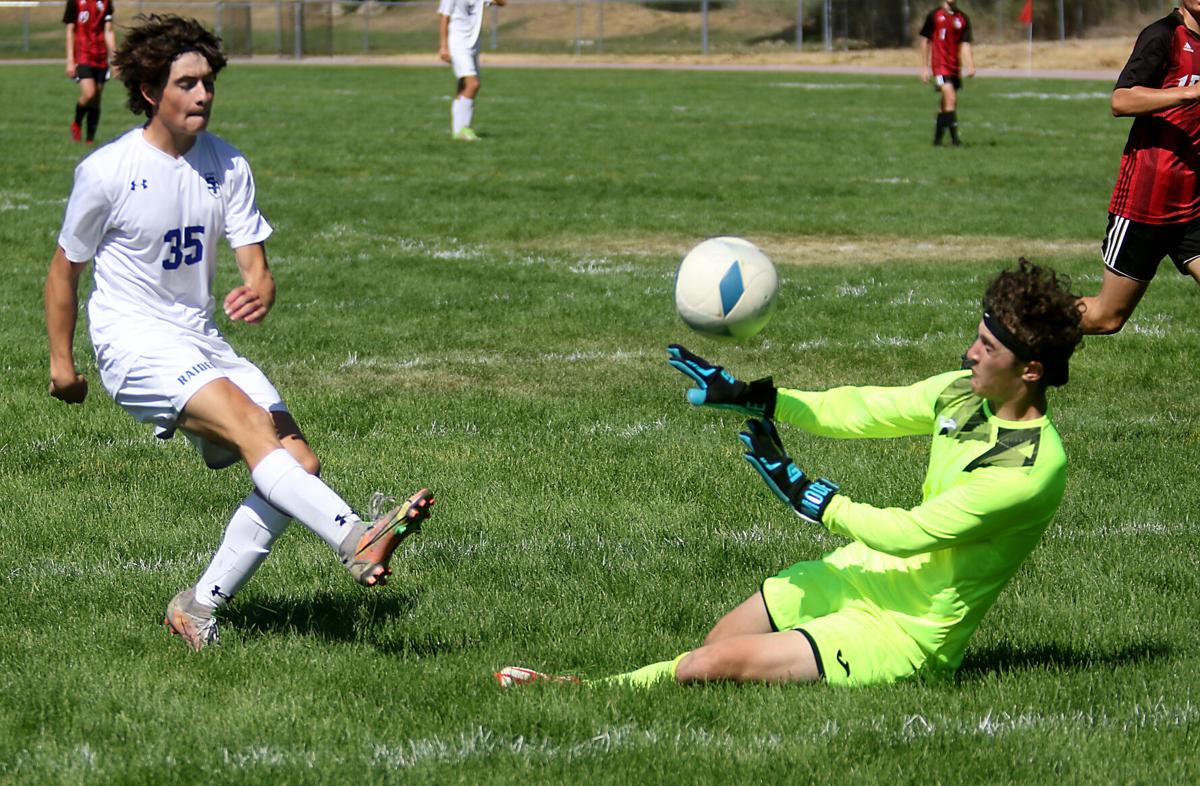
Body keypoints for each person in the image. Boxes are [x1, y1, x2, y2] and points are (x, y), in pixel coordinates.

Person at [497, 260, 1082, 689]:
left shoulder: (1030, 467)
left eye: (986, 347)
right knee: (717, 646)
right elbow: (857, 410)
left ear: (1029, 369)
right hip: (860, 573)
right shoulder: (959, 394)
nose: (970, 354)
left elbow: (916, 532)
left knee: (706, 668)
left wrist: (811, 496)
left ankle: (578, 689)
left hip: (903, 631)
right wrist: (757, 398)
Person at [44, 15, 434, 652]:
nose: (202, 96)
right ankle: (354, 536)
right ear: (151, 91)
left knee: (298, 461)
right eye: (188, 83)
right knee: (257, 432)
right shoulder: (108, 171)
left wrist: (261, 288)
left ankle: (197, 605)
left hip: (199, 339)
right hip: (131, 342)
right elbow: (64, 272)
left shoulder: (227, 164)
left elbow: (256, 262)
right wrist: (63, 362)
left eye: (208, 83)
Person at [1077, 1, 1200, 335]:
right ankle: (1019, 319)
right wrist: (1188, 92)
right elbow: (1121, 100)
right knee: (1106, 318)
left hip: (1194, 204)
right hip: (1146, 202)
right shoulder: (1162, 35)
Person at [438, 0, 505, 141]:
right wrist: (444, 46)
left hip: (473, 44)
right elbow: (444, 16)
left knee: (463, 86)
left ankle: (457, 132)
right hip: (458, 43)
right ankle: (464, 128)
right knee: (473, 84)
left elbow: (502, 2)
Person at [920, 0, 975, 147]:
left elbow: (965, 44)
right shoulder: (934, 15)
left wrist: (970, 64)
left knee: (946, 104)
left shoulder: (963, 18)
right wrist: (925, 67)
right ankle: (956, 140)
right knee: (951, 98)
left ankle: (937, 141)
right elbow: (926, 41)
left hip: (954, 67)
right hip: (939, 66)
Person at [64, 0, 117, 144]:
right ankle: (76, 123)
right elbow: (70, 30)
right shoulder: (74, 2)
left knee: (96, 99)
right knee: (89, 94)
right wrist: (70, 59)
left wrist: (114, 59)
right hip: (83, 55)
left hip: (100, 56)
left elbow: (109, 31)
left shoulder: (105, 2)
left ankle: (90, 139)